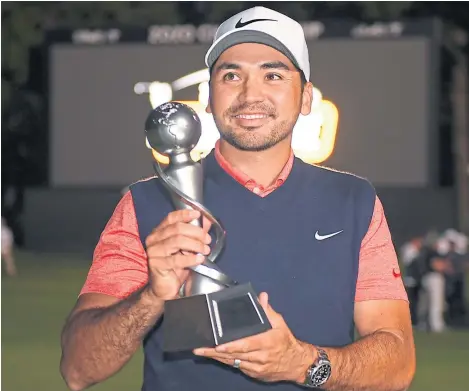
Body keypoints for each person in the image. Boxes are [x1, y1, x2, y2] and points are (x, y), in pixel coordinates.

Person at [60, 6, 415, 391]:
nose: (251, 94)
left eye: (273, 75)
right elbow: (79, 369)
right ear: (208, 96)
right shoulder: (147, 204)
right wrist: (151, 298)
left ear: (307, 97)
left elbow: (397, 365)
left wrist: (302, 364)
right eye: (232, 75)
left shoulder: (354, 202)